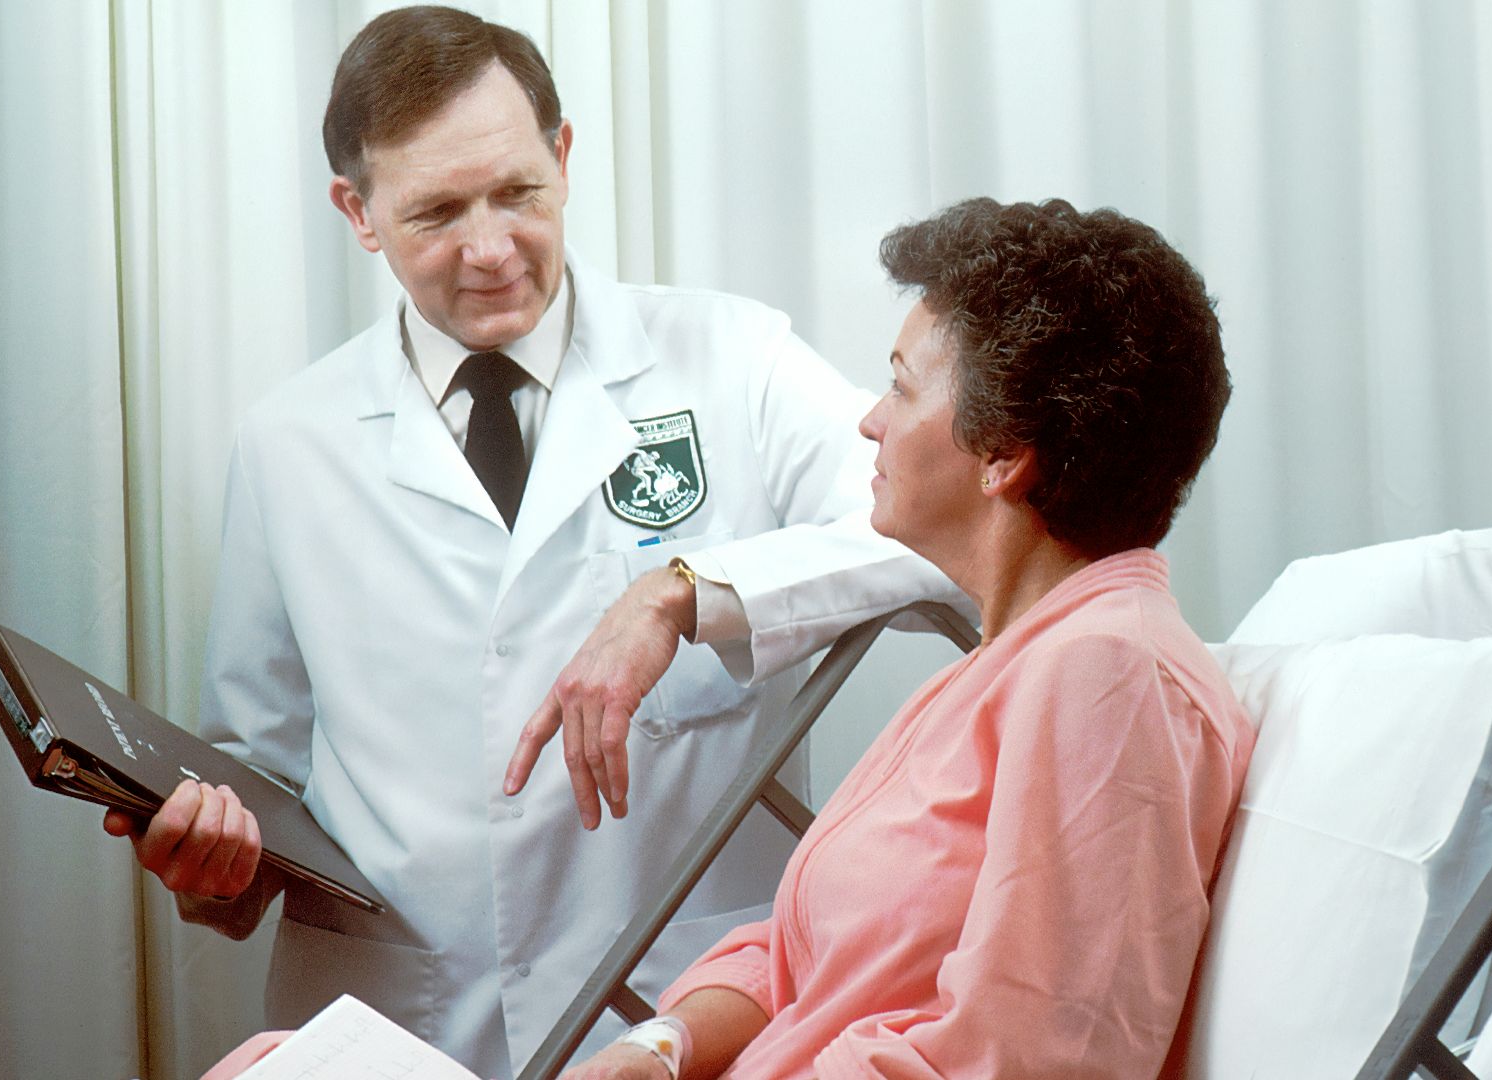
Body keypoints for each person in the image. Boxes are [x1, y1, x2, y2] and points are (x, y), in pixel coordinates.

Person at [104, 6, 958, 1078]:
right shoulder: (290, 443)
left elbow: (943, 532)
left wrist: (683, 592)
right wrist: (214, 869)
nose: (492, 249)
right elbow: (256, 769)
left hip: (680, 1014)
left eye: (517, 192)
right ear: (357, 213)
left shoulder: (733, 358)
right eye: (436, 213)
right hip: (402, 1026)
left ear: (563, 154)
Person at [561, 197, 1256, 1079]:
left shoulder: (1111, 675)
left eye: (900, 385)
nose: (870, 422)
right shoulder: (1007, 666)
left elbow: (1034, 1058)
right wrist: (660, 1048)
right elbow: (802, 956)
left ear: (1004, 453)